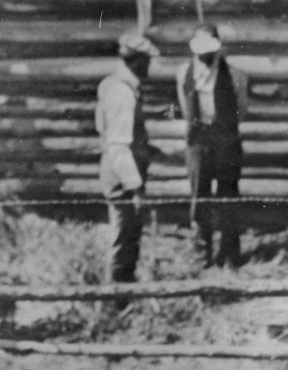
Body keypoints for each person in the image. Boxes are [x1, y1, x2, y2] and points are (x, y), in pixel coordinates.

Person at [176, 23, 247, 269]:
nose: (204, 57)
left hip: (226, 138)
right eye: (200, 52)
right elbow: (186, 111)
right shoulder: (184, 74)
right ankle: (201, 253)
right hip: (198, 140)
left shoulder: (236, 76)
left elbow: (241, 111)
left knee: (228, 196)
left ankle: (229, 254)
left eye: (209, 52)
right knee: (200, 197)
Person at [95, 32, 160, 285]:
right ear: (135, 61)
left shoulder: (113, 85)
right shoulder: (122, 93)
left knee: (128, 235)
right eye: (146, 61)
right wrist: (136, 189)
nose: (149, 67)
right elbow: (119, 146)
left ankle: (124, 293)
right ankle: (118, 297)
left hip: (121, 172)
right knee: (123, 237)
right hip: (122, 177)